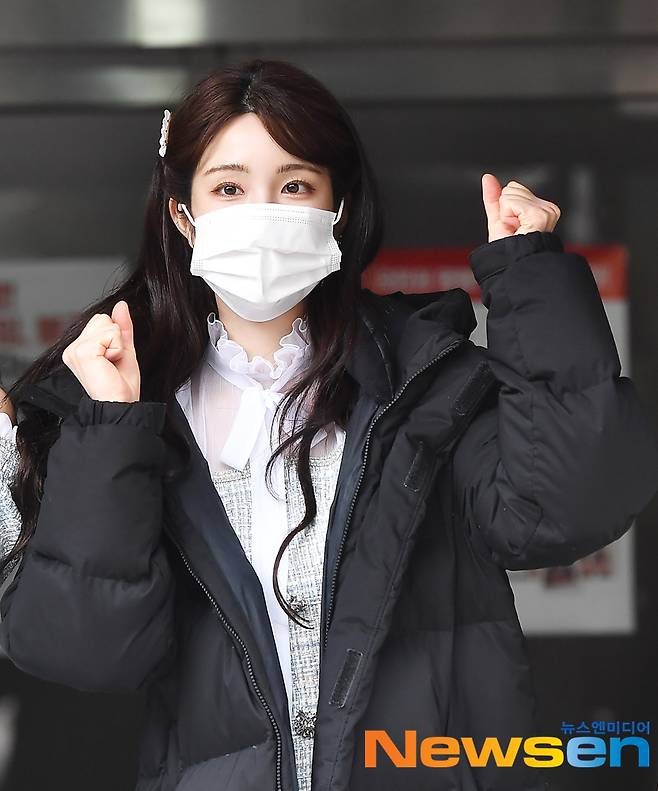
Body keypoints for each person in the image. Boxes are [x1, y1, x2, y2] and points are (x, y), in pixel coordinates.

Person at [0, 58, 656, 791]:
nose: (262, 212)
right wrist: (114, 427)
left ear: (336, 207)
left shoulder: (425, 382)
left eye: (294, 186)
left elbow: (568, 507)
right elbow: (91, 652)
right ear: (183, 216)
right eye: (228, 188)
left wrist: (531, 277)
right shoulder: (126, 405)